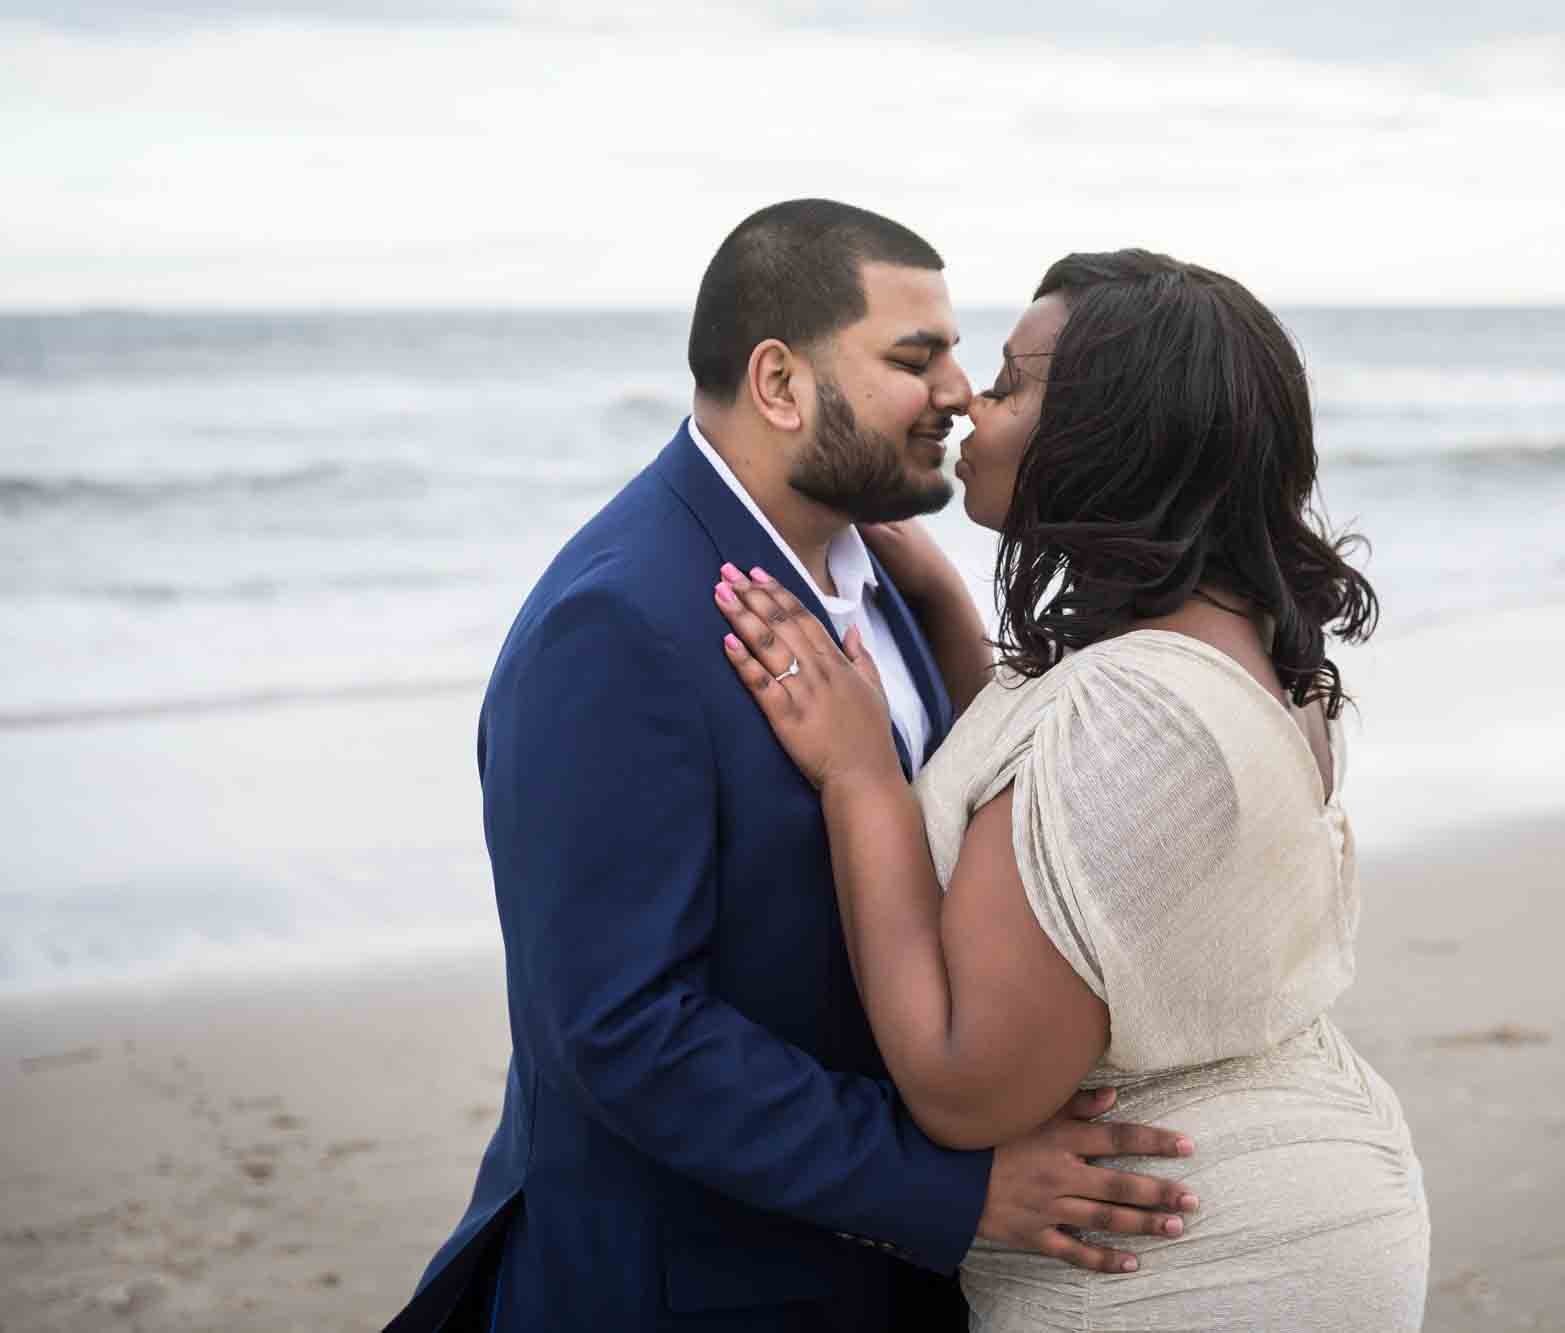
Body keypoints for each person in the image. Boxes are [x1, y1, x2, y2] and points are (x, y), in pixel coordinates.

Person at [383, 205, 1199, 1333]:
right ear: (778, 383)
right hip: (698, 1292)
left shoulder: (880, 571)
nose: (959, 391)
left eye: (958, 355)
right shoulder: (620, 622)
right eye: (915, 358)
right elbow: (622, 1028)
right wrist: (952, 1190)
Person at [711, 249, 1431, 1330]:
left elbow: (965, 1086)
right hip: (1282, 1184)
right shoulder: (1236, 640)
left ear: (1108, 435)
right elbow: (1054, 830)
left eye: (1007, 385)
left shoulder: (1131, 714)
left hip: (1190, 1264)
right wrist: (950, 614)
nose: (963, 405)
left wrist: (859, 776)